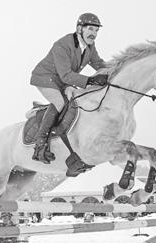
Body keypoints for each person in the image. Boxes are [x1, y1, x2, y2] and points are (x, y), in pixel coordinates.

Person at [30, 12, 109, 163]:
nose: (94, 34)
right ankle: (40, 145)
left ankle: (44, 113)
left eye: (96, 31)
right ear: (80, 28)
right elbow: (66, 74)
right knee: (61, 104)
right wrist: (91, 80)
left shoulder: (90, 47)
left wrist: (114, 71)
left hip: (62, 80)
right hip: (45, 78)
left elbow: (99, 64)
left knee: (75, 100)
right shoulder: (62, 45)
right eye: (90, 29)